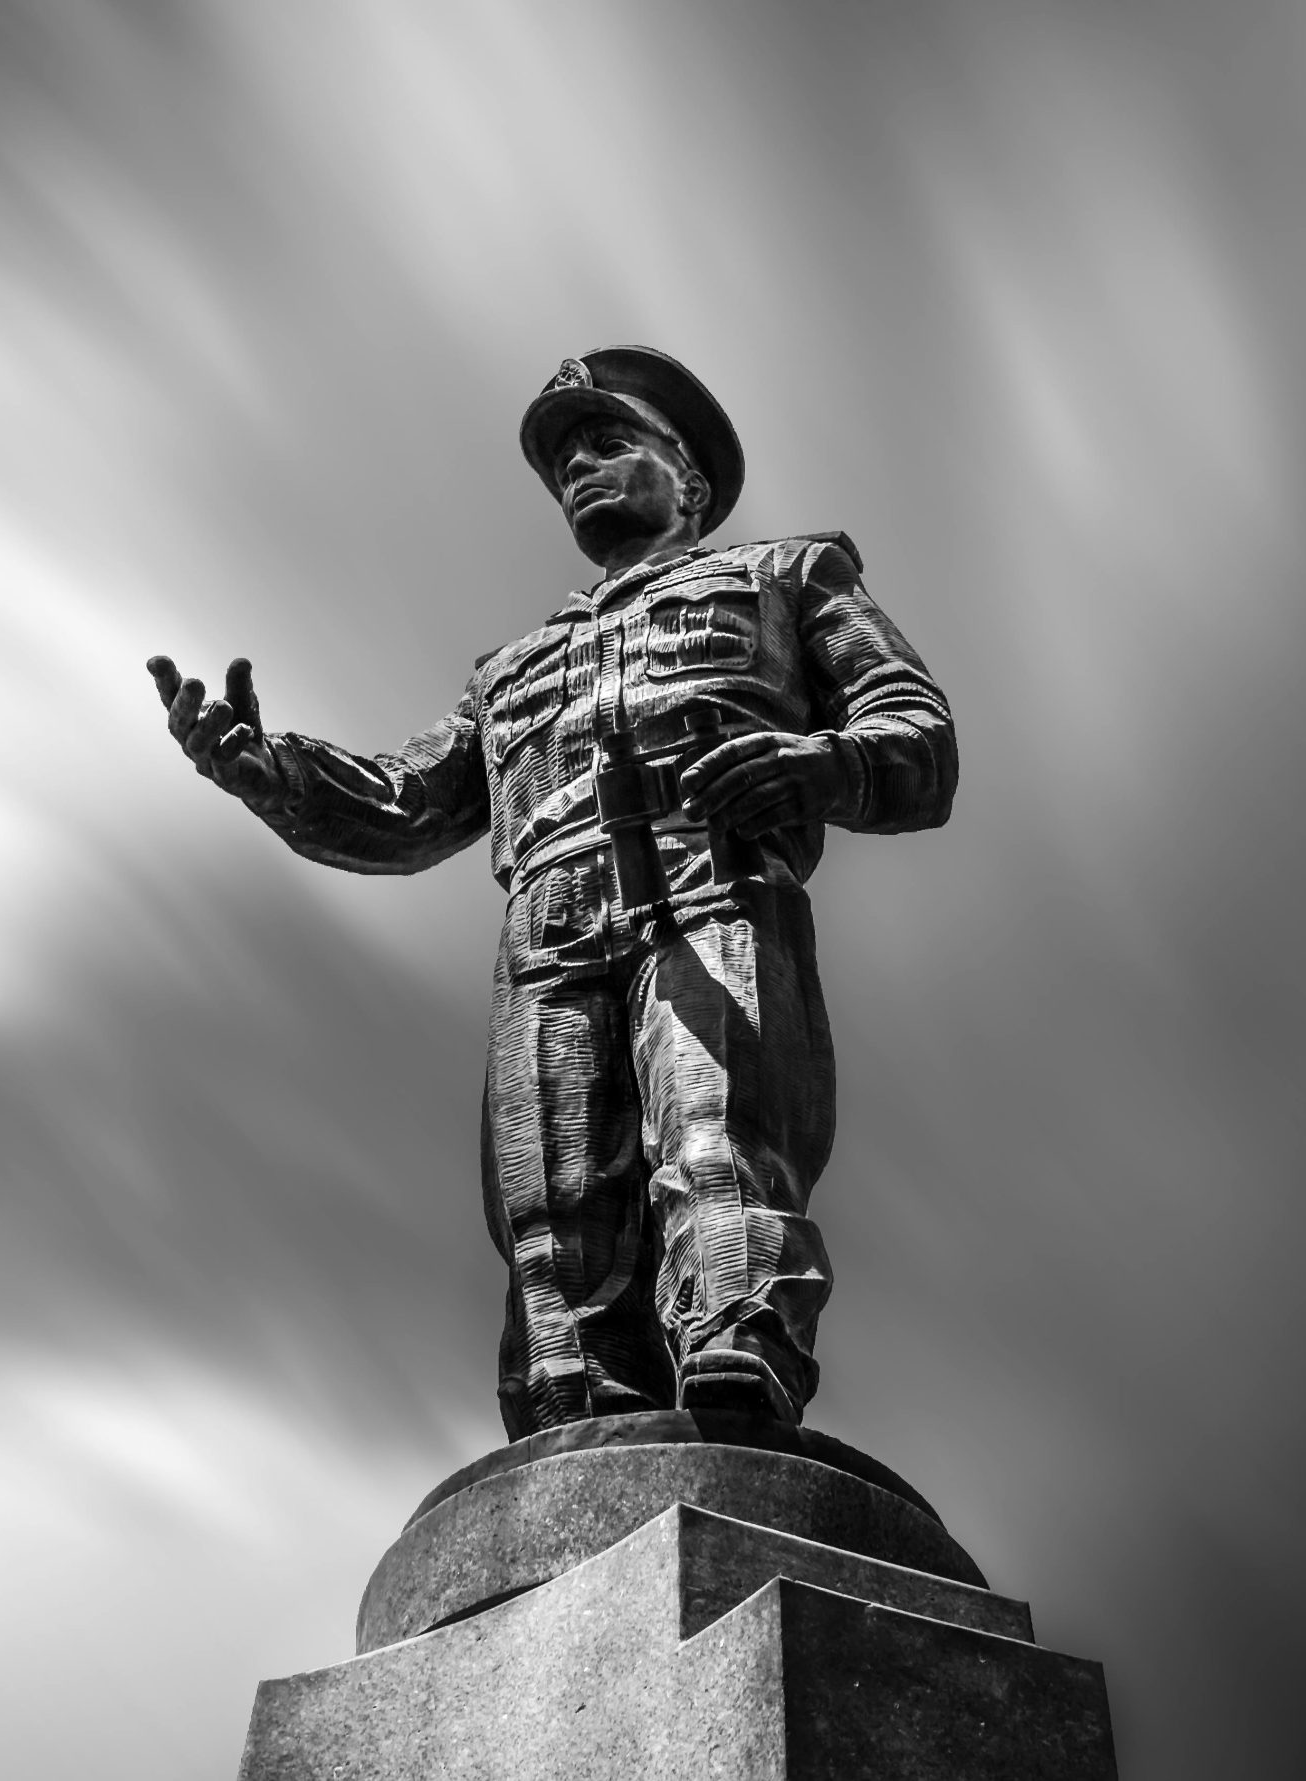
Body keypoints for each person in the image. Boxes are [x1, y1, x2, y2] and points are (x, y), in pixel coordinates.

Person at [148, 346, 956, 1439]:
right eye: (565, 457)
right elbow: (402, 806)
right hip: (550, 930)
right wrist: (268, 768)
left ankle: (737, 1347)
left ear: (692, 482)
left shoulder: (787, 577)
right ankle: (576, 1409)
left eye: (610, 441)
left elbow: (916, 733)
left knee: (716, 1147)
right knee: (550, 1210)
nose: (580, 465)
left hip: (708, 894)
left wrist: (820, 765)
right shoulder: (511, 669)